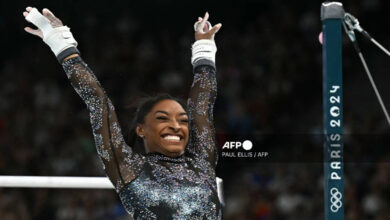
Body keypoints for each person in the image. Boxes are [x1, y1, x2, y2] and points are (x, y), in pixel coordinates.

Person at [23, 6, 222, 219]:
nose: (176, 126)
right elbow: (98, 102)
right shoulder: (129, 168)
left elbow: (202, 107)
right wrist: (60, 41)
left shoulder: (202, 161)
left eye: (183, 120)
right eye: (163, 119)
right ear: (141, 130)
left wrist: (204, 47)